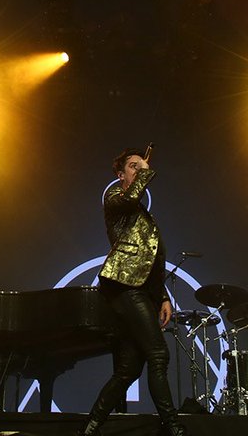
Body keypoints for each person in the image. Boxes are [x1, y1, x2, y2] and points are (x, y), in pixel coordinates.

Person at [81, 148, 185, 436]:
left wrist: (163, 296)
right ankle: (173, 426)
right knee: (158, 354)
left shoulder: (142, 215)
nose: (138, 169)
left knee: (128, 370)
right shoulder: (115, 199)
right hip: (125, 289)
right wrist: (146, 171)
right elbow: (131, 197)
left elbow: (149, 263)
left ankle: (90, 427)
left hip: (141, 291)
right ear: (121, 175)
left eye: (141, 165)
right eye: (133, 166)